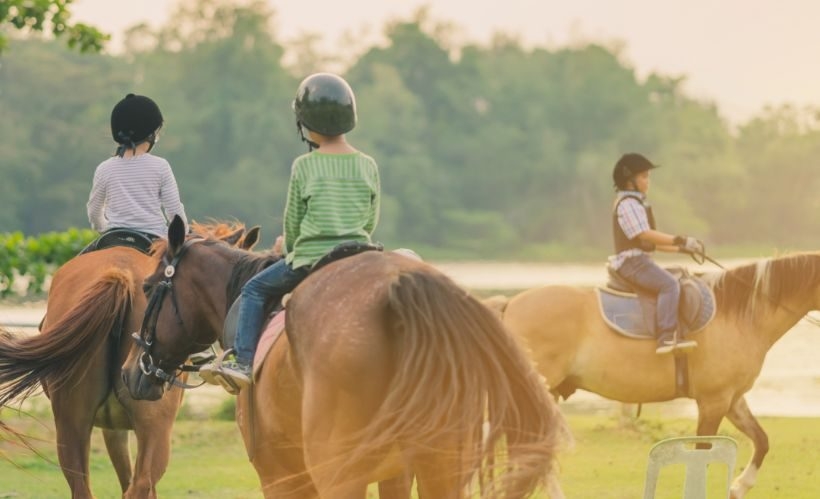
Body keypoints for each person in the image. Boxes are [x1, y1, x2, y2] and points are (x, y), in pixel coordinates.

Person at [200, 73, 381, 391]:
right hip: (359, 259)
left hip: (313, 260)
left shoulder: (305, 165)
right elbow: (369, 221)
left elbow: (294, 221)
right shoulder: (368, 165)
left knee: (255, 290)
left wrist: (288, 245)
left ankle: (242, 361)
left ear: (305, 124)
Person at [609, 153, 704, 354]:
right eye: (644, 176)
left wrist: (682, 249)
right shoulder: (628, 204)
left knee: (680, 275)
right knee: (669, 285)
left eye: (647, 176)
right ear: (630, 181)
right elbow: (644, 234)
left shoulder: (637, 204)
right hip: (632, 263)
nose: (648, 181)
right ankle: (666, 337)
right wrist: (680, 239)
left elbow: (651, 243)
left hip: (639, 260)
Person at [86, 93, 188, 240]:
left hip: (114, 238)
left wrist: (105, 228)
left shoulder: (104, 168)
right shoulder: (161, 166)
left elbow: (94, 212)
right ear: (151, 135)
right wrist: (184, 233)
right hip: (154, 239)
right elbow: (174, 213)